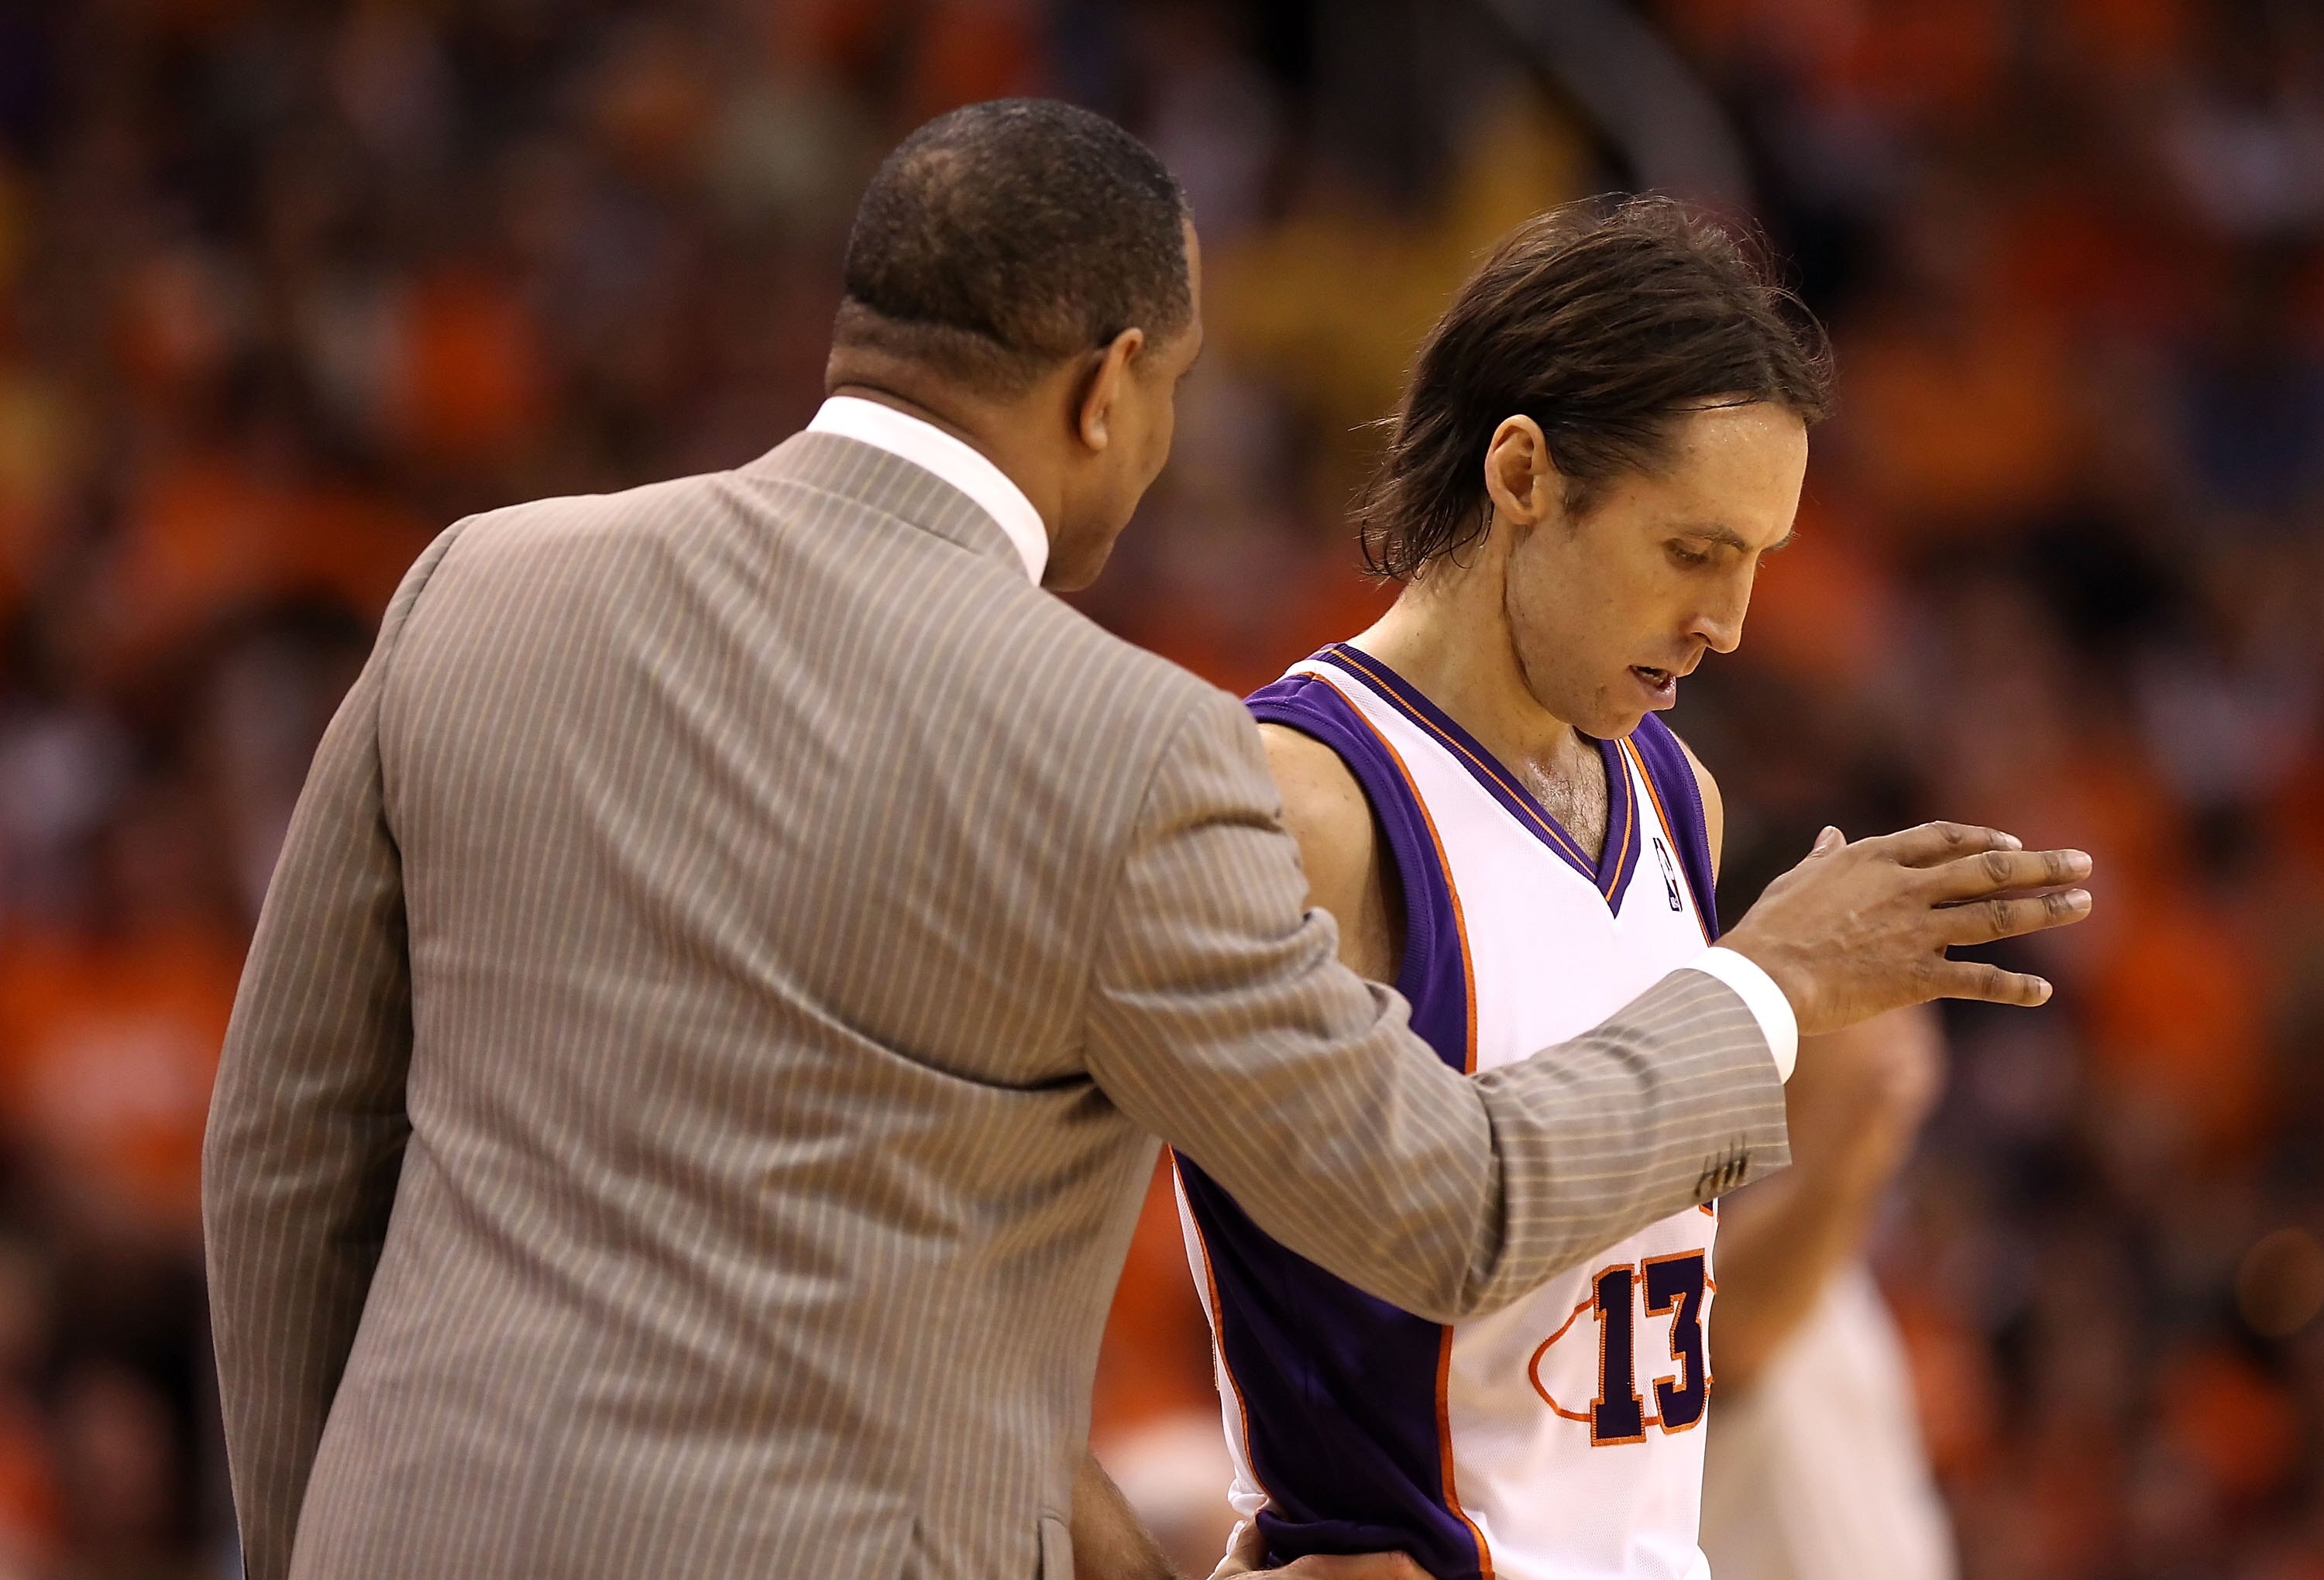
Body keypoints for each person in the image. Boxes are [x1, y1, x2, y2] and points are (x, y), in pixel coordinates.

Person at [201, 104, 2089, 1580]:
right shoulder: (1166, 754)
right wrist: (1765, 992)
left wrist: (324, 1535)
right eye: (1695, 552)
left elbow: (286, 1151)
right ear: (1110, 385)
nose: (1733, 618)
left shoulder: (478, 584)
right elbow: (1437, 1205)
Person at [1160, 199, 2089, 1580]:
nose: (1731, 622)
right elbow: (1422, 1230)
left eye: (1760, 559)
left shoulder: (1676, 796)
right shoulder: (1307, 798)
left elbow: (1620, 1306)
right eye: (1694, 551)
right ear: (1524, 473)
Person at [1697, 1008, 1957, 1580]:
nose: (1912, 1027)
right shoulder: (1700, 1215)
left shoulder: (1844, 1262)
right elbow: (1727, 1336)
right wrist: (1849, 1162)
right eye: (1884, 999)